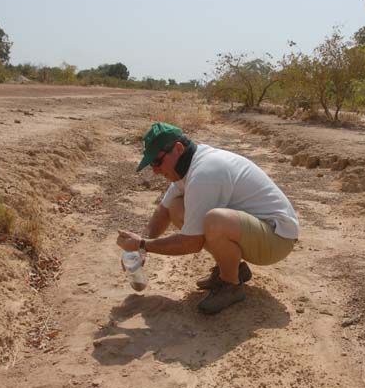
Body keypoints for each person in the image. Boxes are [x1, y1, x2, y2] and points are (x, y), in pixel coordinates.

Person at [116, 122, 299, 314]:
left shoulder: (205, 173)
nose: (155, 170)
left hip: (278, 240)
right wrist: (143, 245)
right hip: (260, 232)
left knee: (215, 221)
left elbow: (192, 243)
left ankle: (231, 285)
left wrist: (143, 245)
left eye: (157, 162)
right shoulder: (187, 166)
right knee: (176, 206)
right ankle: (232, 269)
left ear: (178, 149)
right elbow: (163, 211)